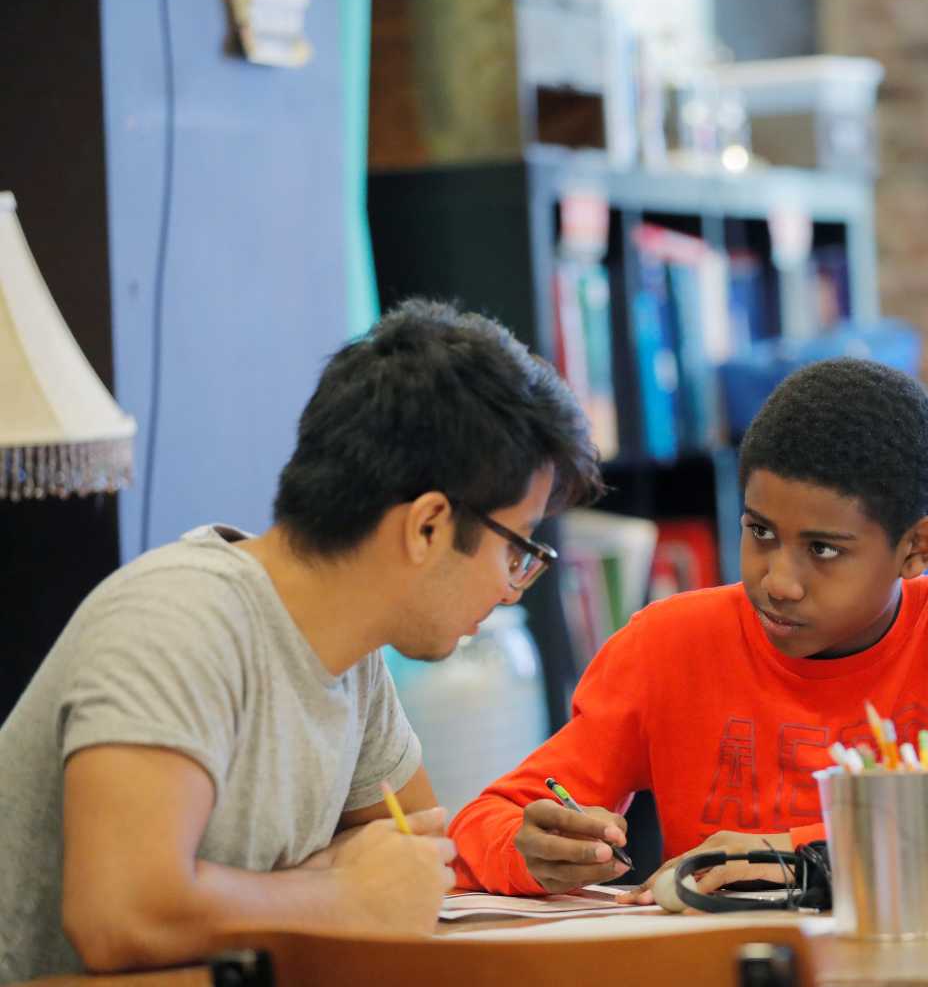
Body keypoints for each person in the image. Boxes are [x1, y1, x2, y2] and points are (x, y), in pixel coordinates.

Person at [0, 299, 603, 981]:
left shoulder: (355, 658)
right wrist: (337, 892)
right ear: (429, 526)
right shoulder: (180, 621)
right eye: (518, 551)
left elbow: (417, 866)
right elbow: (121, 914)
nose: (513, 588)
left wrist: (409, 875)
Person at [448, 357, 928, 901]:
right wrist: (532, 850)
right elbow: (489, 821)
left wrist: (806, 854)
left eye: (823, 549)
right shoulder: (667, 645)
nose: (778, 580)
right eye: (759, 532)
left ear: (917, 548)